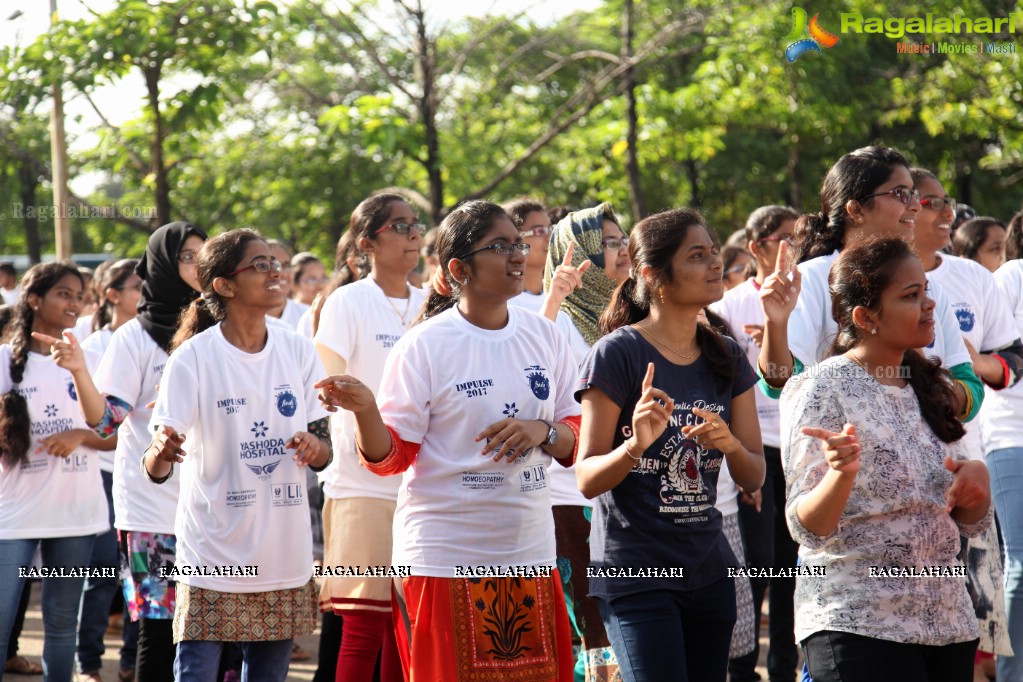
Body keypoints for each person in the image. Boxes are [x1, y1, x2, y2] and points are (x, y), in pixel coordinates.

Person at [316, 200, 580, 682]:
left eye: (517, 244)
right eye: (499, 246)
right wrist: (367, 411)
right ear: (459, 267)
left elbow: (575, 435)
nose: (517, 255)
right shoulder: (425, 345)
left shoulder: (546, 336)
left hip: (529, 551)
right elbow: (392, 457)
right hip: (444, 557)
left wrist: (542, 431)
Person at [781, 237, 991, 682]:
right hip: (859, 625)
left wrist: (976, 486)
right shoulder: (822, 387)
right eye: (910, 296)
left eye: (926, 291)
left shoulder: (930, 384)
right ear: (865, 317)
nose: (929, 305)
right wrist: (840, 476)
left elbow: (968, 523)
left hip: (947, 624)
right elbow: (804, 528)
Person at [575, 207, 766, 682]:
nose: (715, 264)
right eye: (696, 256)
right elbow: (585, 477)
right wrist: (634, 445)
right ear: (652, 275)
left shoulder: (725, 354)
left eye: (714, 253)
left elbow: (754, 474)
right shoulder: (618, 353)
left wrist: (731, 446)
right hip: (636, 573)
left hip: (709, 570)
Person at [140, 229, 329, 681]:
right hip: (213, 551)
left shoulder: (298, 349)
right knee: (197, 671)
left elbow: (325, 450)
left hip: (283, 553)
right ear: (223, 285)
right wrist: (163, 451)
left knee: (268, 674)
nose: (275, 271)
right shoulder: (193, 359)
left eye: (274, 262)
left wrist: (315, 446)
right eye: (259, 265)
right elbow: (155, 468)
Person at [45, 222, 207, 682]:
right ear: (163, 265)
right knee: (158, 625)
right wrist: (80, 371)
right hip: (153, 511)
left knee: (216, 630)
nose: (199, 266)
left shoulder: (221, 328)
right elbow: (105, 421)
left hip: (216, 507)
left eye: (204, 255)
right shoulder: (135, 337)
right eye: (188, 257)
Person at [757, 146, 982, 424]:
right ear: (856, 210)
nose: (914, 205)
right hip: (840, 457)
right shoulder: (812, 279)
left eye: (914, 193)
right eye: (901, 193)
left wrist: (921, 392)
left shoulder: (928, 285)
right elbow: (781, 384)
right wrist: (774, 325)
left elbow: (971, 390)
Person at [908, 169, 1023, 677]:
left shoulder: (972, 278)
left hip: (967, 465)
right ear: (904, 208)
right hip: (890, 473)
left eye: (947, 200)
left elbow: (1014, 356)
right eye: (932, 202)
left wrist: (977, 369)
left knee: (971, 617)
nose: (947, 213)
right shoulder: (858, 273)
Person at [314, 193, 425, 682]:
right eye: (399, 227)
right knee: (364, 627)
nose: (414, 234)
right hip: (362, 485)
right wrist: (345, 398)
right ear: (367, 243)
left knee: (408, 629)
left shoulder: (430, 304)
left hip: (420, 488)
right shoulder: (348, 301)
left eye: (416, 225)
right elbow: (328, 382)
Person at [0, 262, 109, 682]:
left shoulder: (91, 358)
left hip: (75, 515)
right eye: (64, 293)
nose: (75, 302)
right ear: (34, 300)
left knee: (62, 625)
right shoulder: (5, 361)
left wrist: (79, 435)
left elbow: (113, 434)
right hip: (15, 516)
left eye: (79, 295)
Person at [710, 205, 801, 682]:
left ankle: (784, 668)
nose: (792, 249)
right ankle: (745, 665)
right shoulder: (727, 308)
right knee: (758, 565)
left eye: (798, 238)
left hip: (800, 449)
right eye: (781, 238)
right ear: (755, 248)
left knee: (795, 566)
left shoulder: (809, 296)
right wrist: (738, 465)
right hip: (755, 452)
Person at [541, 202, 630, 679]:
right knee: (591, 632)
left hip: (626, 492)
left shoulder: (630, 315)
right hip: (567, 498)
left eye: (622, 240)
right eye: (609, 243)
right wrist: (553, 301)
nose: (622, 251)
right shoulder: (552, 322)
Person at [77, 258, 143, 682]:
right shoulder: (95, 347)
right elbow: (100, 422)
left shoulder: (158, 338)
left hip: (144, 475)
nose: (145, 292)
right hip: (102, 472)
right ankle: (88, 662)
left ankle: (133, 660)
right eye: (136, 286)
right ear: (111, 294)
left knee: (141, 577)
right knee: (101, 575)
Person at [983, 234, 1023, 679]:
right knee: (1021, 562)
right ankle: (1012, 674)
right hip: (1011, 433)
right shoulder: (1012, 276)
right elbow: (999, 358)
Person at [265, 240, 308, 330]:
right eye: (272, 265)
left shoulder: (307, 315)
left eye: (286, 265)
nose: (283, 273)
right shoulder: (242, 320)